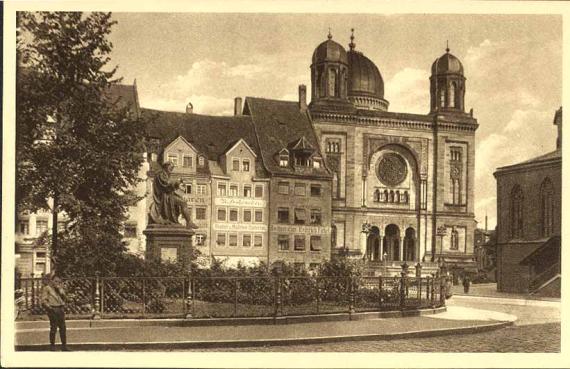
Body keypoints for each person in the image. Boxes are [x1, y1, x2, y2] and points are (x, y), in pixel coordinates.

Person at [149, 161, 197, 228]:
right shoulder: (160, 174)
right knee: (182, 202)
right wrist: (178, 181)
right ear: (166, 167)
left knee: (183, 202)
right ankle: (189, 222)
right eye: (170, 168)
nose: (171, 170)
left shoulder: (165, 175)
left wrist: (179, 189)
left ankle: (189, 222)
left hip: (168, 196)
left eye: (172, 168)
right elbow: (166, 184)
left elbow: (170, 187)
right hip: (163, 197)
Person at [40, 272, 70, 351]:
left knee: (63, 328)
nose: (57, 283)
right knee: (53, 328)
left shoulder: (59, 289)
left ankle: (64, 346)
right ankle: (52, 346)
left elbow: (66, 298)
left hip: (60, 309)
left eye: (59, 282)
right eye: (56, 281)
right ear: (52, 281)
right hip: (53, 309)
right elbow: (43, 300)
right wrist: (49, 308)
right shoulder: (47, 288)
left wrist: (61, 290)